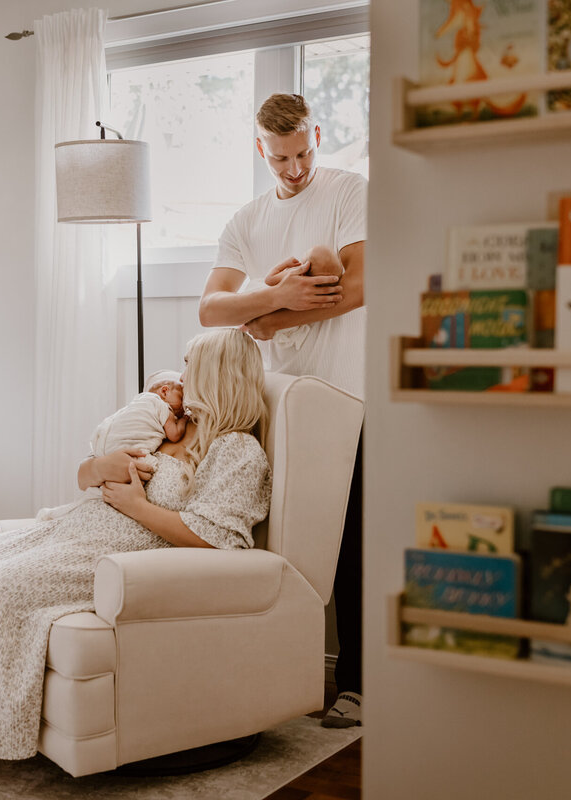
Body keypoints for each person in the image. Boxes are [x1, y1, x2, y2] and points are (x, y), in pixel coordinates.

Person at [0, 328, 272, 782]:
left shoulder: (237, 450)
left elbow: (217, 538)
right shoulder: (167, 421)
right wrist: (99, 468)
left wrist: (138, 507)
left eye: (191, 365)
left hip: (118, 556)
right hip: (72, 528)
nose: (181, 376)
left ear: (217, 376)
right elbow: (87, 471)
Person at [198, 93, 366, 729]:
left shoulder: (349, 191)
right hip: (276, 399)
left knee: (350, 535)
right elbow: (210, 310)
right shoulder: (246, 220)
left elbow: (358, 287)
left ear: (316, 135)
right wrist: (272, 296)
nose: (294, 170)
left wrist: (268, 317)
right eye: (280, 160)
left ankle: (356, 682)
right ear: (259, 150)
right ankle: (266, 677)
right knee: (270, 536)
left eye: (302, 154)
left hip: (347, 392)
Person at [35, 370, 188, 521]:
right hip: (116, 463)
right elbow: (82, 476)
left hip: (103, 445)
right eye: (181, 400)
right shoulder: (162, 408)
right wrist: (184, 420)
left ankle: (58, 513)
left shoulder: (138, 403)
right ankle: (61, 514)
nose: (182, 409)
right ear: (165, 391)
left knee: (95, 495)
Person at [256, 245, 345, 351]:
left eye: (306, 253)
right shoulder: (318, 296)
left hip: (268, 312)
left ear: (304, 269)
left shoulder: (293, 278)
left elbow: (269, 280)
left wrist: (285, 264)